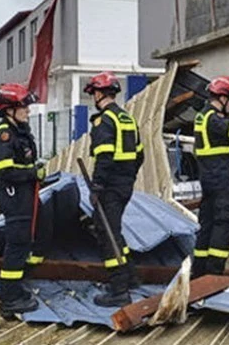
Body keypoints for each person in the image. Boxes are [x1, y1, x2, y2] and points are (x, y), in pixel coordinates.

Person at [84, 72, 144, 306]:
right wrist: (127, 176)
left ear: (99, 94)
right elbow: (140, 155)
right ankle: (131, 277)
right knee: (114, 230)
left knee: (106, 233)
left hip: (109, 186)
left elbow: (105, 156)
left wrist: (97, 186)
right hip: (125, 184)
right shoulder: (127, 119)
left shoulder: (104, 121)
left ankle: (119, 290)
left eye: (94, 94)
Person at [0, 83, 44, 318]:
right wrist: (33, 174)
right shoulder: (5, 134)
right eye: (24, 107)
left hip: (24, 195)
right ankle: (10, 299)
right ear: (10, 109)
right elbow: (4, 170)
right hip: (14, 196)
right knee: (17, 244)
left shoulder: (20, 131)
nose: (28, 111)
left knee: (23, 243)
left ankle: (16, 288)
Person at [191, 76, 229, 278]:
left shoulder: (204, 116)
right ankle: (214, 273)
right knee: (223, 222)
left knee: (207, 223)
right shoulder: (214, 119)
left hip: (207, 177)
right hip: (219, 177)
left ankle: (198, 271)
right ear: (224, 98)